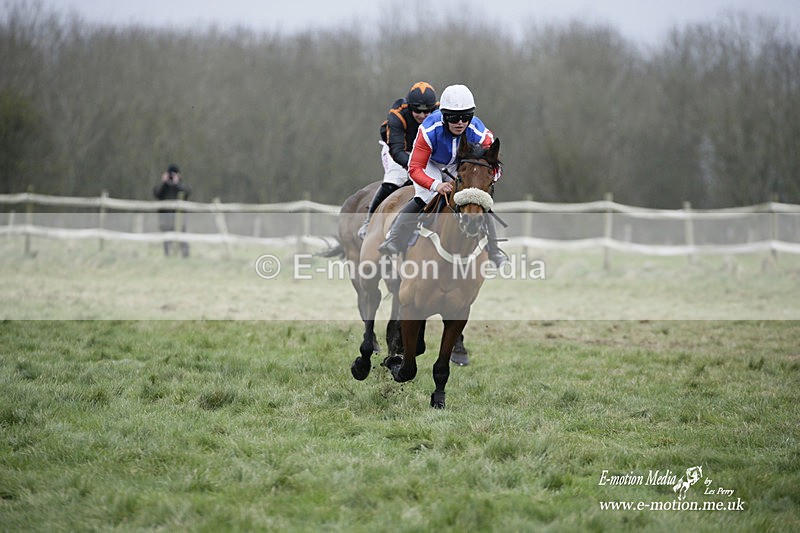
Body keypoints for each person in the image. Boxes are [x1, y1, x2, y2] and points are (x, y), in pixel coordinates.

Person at [378, 84, 508, 266]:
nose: (460, 123)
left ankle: (494, 250)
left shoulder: (480, 133)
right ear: (443, 115)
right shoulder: (429, 130)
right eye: (454, 118)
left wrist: (483, 185)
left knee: (478, 200)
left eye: (466, 117)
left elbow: (496, 168)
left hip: (459, 165)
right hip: (430, 163)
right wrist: (435, 185)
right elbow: (414, 168)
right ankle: (394, 238)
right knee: (426, 195)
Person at [357, 81, 438, 238]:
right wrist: (416, 167)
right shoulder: (397, 115)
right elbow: (396, 150)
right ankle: (369, 221)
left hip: (424, 150)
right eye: (417, 111)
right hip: (398, 150)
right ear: (409, 106)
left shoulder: (440, 112)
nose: (422, 116)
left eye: (427, 111)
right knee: (395, 180)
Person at [153, 163, 191, 257]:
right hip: (165, 217)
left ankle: (185, 256)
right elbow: (157, 193)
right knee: (166, 238)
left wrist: (176, 183)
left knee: (182, 238)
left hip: (179, 218)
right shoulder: (164, 187)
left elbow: (187, 192)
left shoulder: (181, 186)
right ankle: (168, 256)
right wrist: (164, 182)